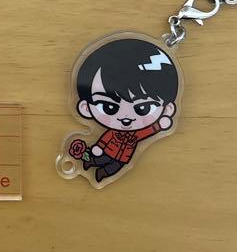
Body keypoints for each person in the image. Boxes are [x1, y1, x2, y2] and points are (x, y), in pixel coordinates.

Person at [74, 35, 179, 184]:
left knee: (115, 166)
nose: (126, 117)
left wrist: (159, 125)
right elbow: (106, 138)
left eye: (143, 108)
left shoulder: (136, 134)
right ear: (85, 108)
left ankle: (101, 173)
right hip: (109, 150)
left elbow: (148, 131)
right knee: (102, 158)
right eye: (109, 107)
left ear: (167, 109)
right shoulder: (113, 132)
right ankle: (91, 162)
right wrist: (99, 147)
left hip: (125, 156)